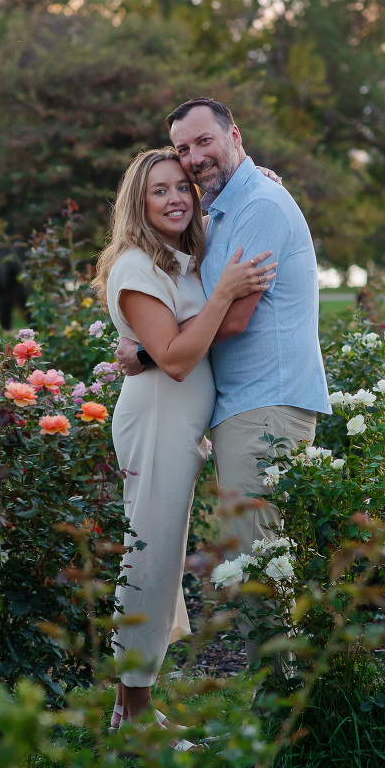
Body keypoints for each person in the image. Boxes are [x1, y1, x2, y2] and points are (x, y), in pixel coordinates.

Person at [116, 98, 331, 671]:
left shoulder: (256, 205)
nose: (193, 159)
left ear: (235, 135)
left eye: (204, 142)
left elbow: (233, 319)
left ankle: (279, 715)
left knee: (257, 562)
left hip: (266, 402)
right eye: (184, 149)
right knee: (254, 558)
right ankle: (278, 705)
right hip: (239, 408)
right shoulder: (228, 206)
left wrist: (146, 350)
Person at [92, 147, 277, 744]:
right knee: (149, 557)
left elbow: (168, 344)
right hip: (154, 422)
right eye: (159, 191)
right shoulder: (135, 267)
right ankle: (139, 716)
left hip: (177, 428)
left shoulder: (179, 259)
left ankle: (128, 711)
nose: (175, 198)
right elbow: (173, 359)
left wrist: (263, 182)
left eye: (181, 187)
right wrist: (223, 293)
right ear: (137, 204)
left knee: (161, 558)